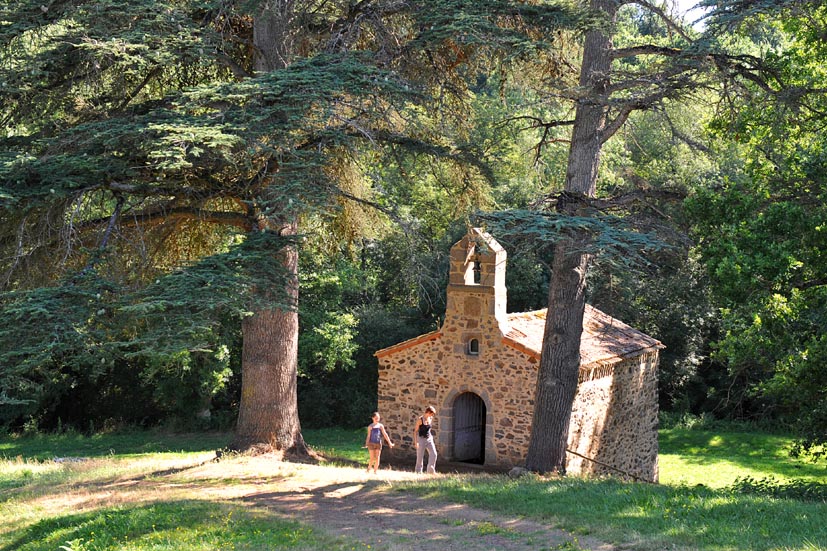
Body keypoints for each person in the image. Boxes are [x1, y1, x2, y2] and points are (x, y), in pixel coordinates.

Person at [414, 405, 437, 474]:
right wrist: (416, 442)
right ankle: (418, 472)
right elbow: (415, 431)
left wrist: (430, 438)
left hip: (429, 439)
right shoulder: (420, 420)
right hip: (421, 439)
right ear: (428, 412)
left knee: (434, 454)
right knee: (420, 456)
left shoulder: (430, 418)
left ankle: (430, 470)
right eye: (431, 414)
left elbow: (428, 429)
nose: (432, 415)